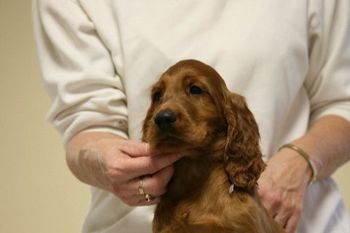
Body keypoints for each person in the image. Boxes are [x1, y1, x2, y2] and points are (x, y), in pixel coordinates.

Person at [33, 0, 350, 232]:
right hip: (140, 219)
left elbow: (343, 101)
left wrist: (301, 161)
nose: (165, 112)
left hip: (294, 219)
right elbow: (85, 118)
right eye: (158, 98)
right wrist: (105, 159)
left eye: (195, 91)